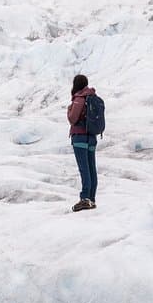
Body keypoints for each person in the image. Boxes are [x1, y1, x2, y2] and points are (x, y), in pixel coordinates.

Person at [67, 74, 98, 212]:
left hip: (80, 137)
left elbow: (73, 119)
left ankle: (85, 198)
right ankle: (91, 198)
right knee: (91, 168)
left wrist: (69, 110)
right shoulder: (93, 97)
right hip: (91, 137)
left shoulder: (80, 98)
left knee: (84, 168)